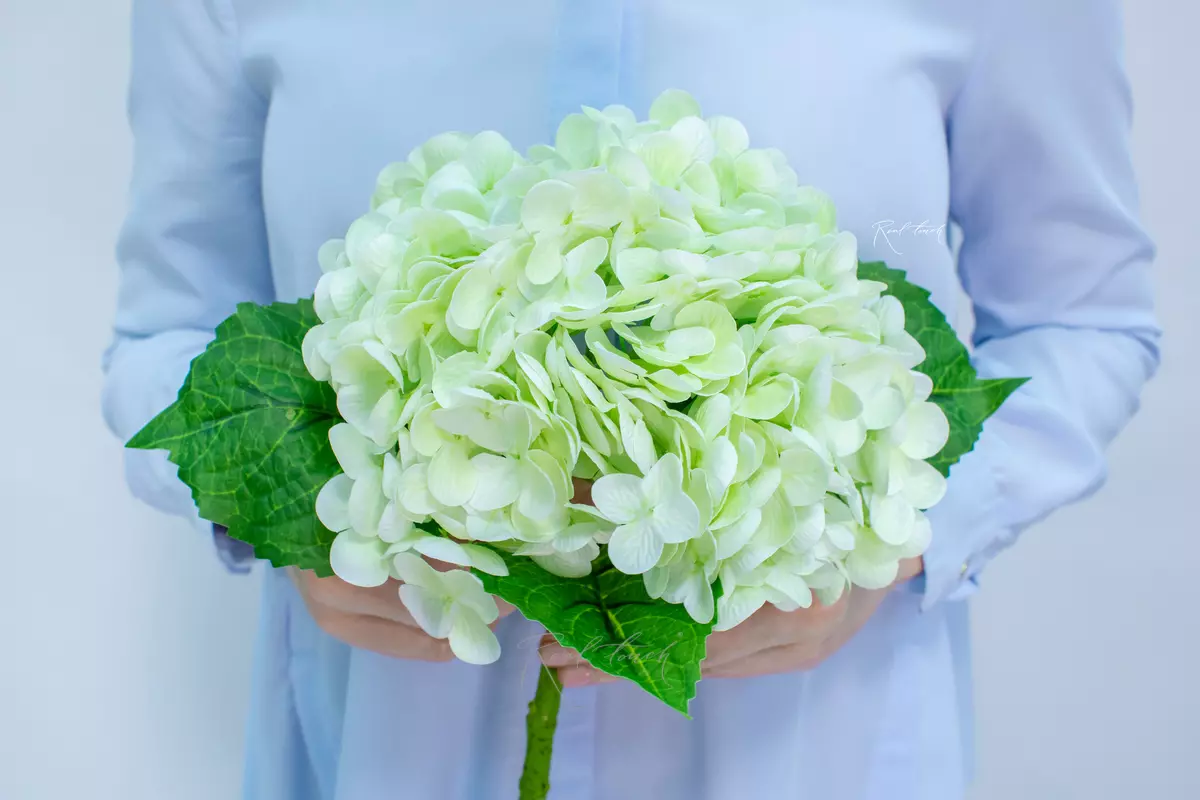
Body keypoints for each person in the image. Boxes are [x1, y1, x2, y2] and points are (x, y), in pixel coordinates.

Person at [102, 2, 1160, 798]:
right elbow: (166, 341)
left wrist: (897, 535)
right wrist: (283, 515)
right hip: (391, 750)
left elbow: (1087, 319)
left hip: (808, 753)